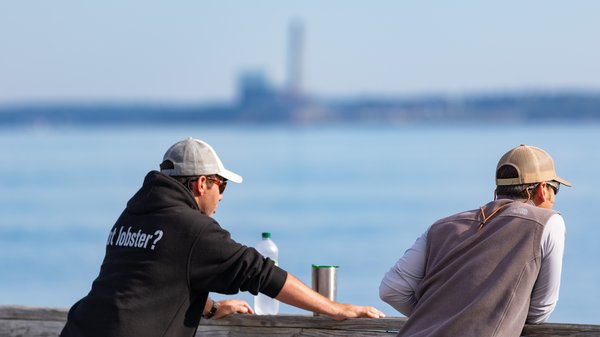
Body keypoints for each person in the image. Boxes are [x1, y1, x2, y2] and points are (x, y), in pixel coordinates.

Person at [60, 137, 385, 337]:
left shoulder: (133, 215)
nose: (222, 197)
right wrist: (337, 309)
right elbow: (262, 272)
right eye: (222, 186)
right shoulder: (192, 228)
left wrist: (211, 308)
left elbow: (149, 284)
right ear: (202, 184)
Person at [379, 144, 571, 337]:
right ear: (542, 189)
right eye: (556, 189)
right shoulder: (548, 223)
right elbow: (540, 310)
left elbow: (392, 289)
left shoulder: (441, 226)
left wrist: (437, 318)